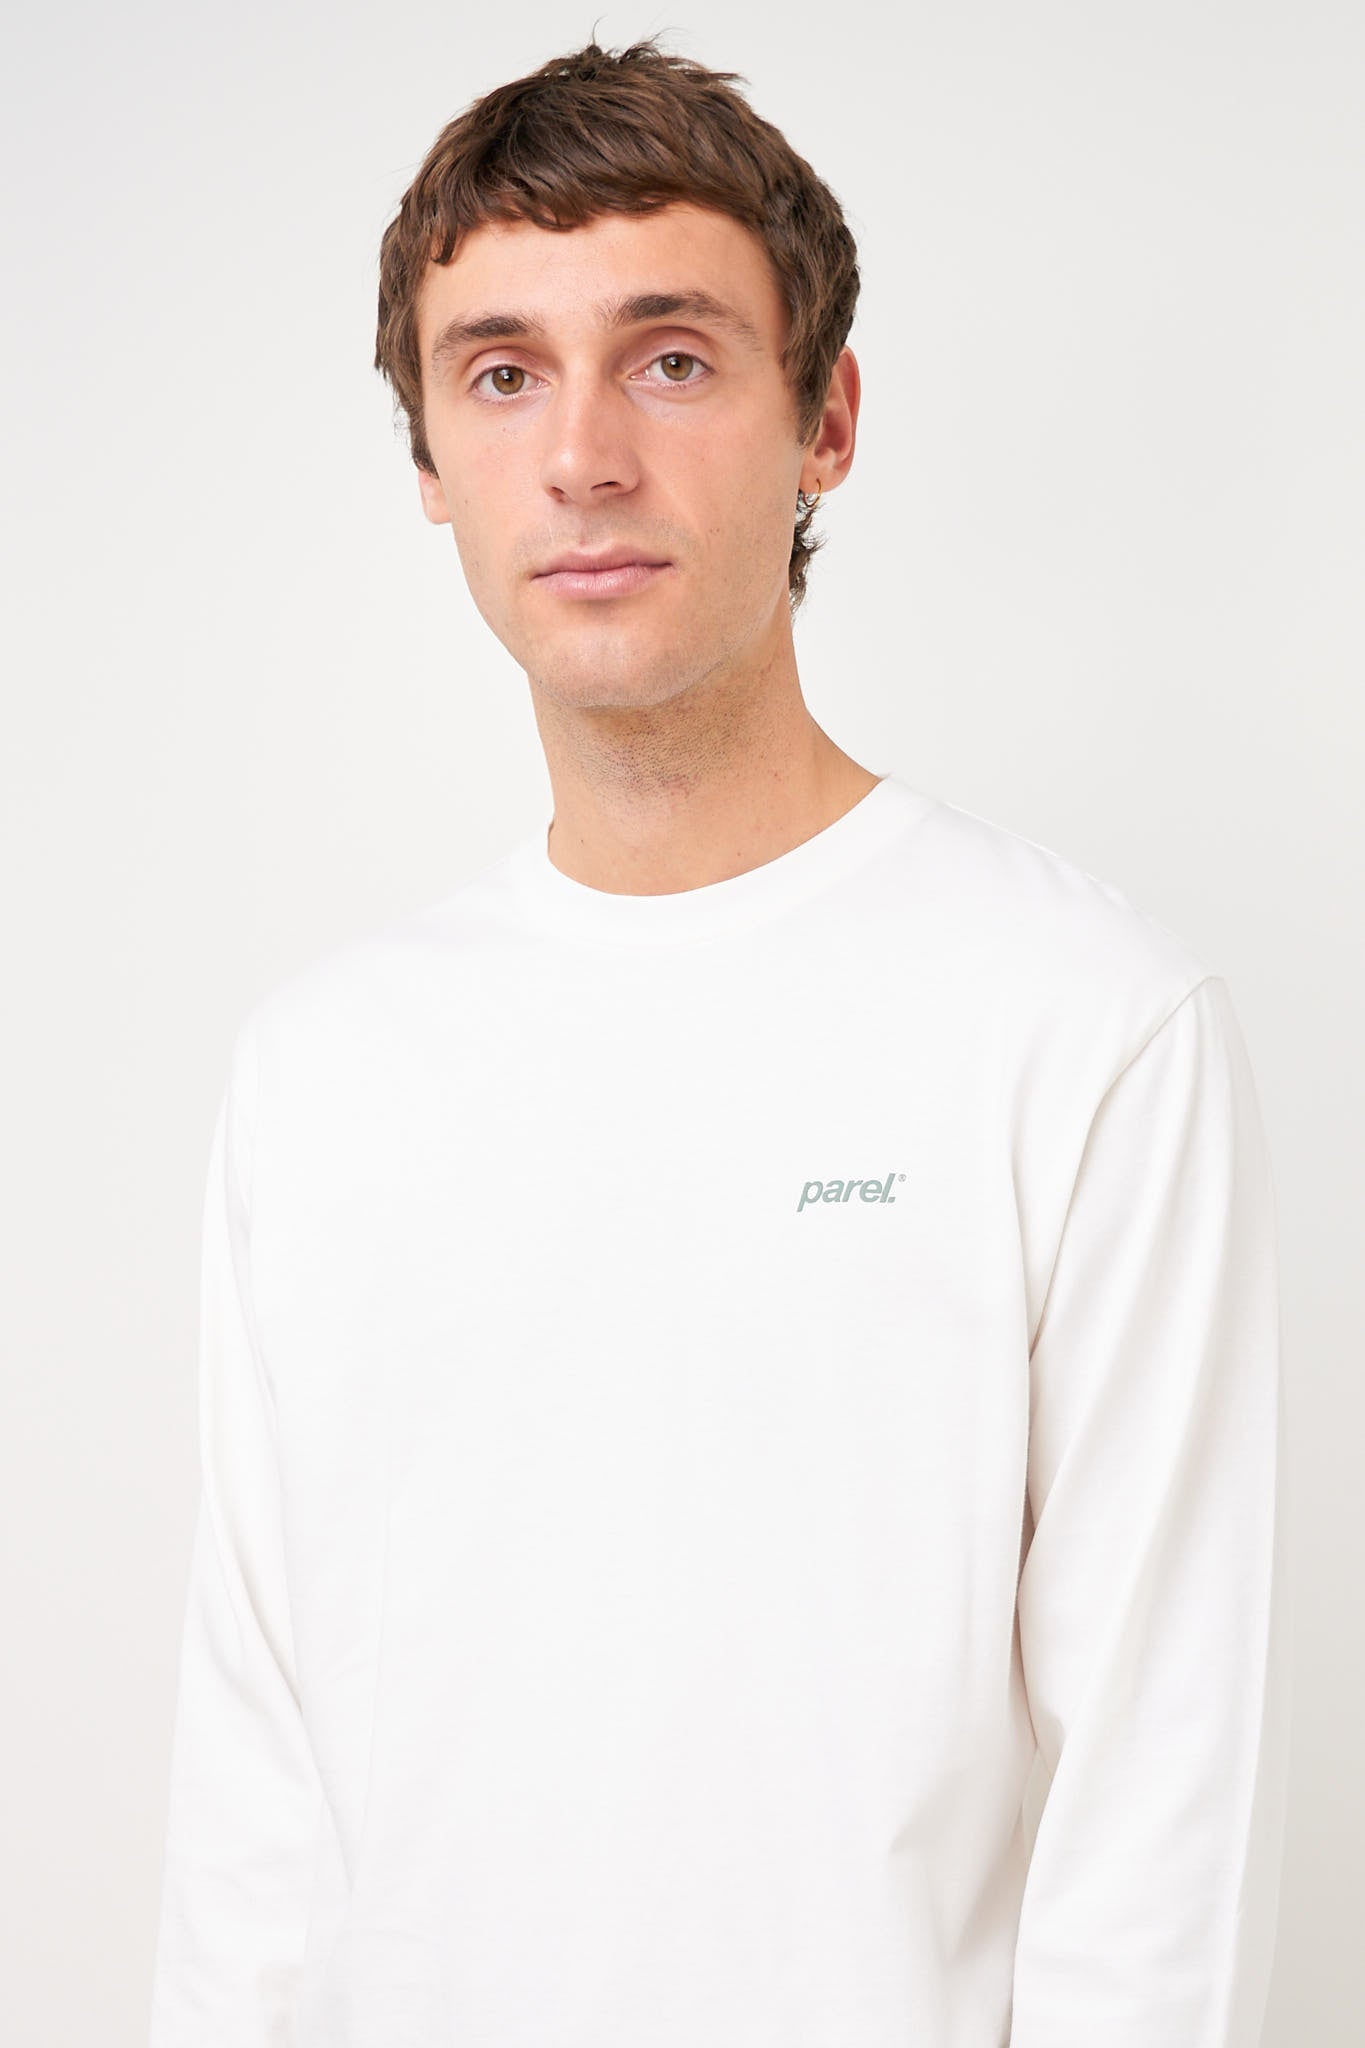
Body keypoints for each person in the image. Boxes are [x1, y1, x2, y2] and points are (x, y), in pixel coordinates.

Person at [146, 34, 1291, 2048]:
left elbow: (1159, 1820)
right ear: (427, 460)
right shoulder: (323, 1076)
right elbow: (257, 1808)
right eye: (501, 374)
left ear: (822, 417)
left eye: (669, 359)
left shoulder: (1083, 1026)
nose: (583, 455)